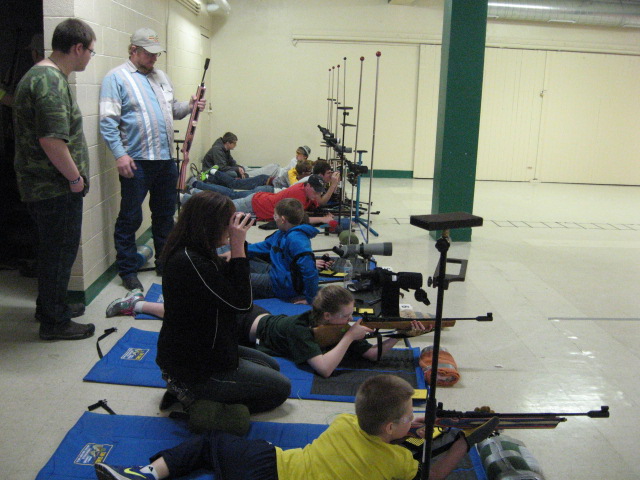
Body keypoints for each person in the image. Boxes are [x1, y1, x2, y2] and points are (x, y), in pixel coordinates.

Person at [94, 374, 499, 480]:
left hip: (268, 467)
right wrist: (464, 440)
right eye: (410, 416)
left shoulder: (344, 421)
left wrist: (409, 425)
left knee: (210, 443)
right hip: (273, 471)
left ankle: (147, 473)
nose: (415, 422)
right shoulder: (395, 463)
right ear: (392, 428)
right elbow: (433, 472)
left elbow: (386, 428)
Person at [156, 191, 291, 413]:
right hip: (197, 367)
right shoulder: (189, 262)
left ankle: (191, 389)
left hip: (210, 346)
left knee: (272, 366)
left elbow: (223, 288)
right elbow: (241, 304)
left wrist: (236, 255)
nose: (230, 229)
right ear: (209, 225)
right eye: (226, 223)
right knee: (280, 389)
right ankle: (193, 395)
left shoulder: (195, 251)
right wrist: (238, 247)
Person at [99, 27, 206, 292]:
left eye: (157, 54)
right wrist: (120, 155)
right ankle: (127, 270)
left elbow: (174, 111)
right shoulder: (116, 78)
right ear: (133, 50)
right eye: (149, 54)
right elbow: (108, 122)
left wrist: (191, 105)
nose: (154, 59)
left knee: (164, 215)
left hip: (164, 160)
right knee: (131, 218)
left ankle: (164, 262)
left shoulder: (161, 78)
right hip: (135, 161)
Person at [12, 18, 97, 340]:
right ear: (77, 48)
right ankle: (54, 321)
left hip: (43, 186)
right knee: (59, 254)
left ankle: (50, 306)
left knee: (52, 252)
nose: (90, 56)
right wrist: (75, 180)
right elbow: (52, 140)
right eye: (90, 50)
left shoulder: (43, 76)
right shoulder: (49, 81)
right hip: (53, 188)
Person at [246, 285, 427, 378]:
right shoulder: (300, 328)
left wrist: (399, 333)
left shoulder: (335, 326)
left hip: (264, 314)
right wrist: (349, 337)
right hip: (247, 325)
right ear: (327, 316)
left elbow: (372, 354)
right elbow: (325, 369)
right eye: (346, 315)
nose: (350, 320)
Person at [247, 198, 319, 304]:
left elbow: (310, 273)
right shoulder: (281, 233)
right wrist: (237, 250)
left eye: (275, 216)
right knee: (239, 258)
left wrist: (310, 298)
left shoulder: (297, 240)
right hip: (277, 273)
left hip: (282, 285)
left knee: (237, 277)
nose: (273, 218)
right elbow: (262, 246)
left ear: (283, 219)